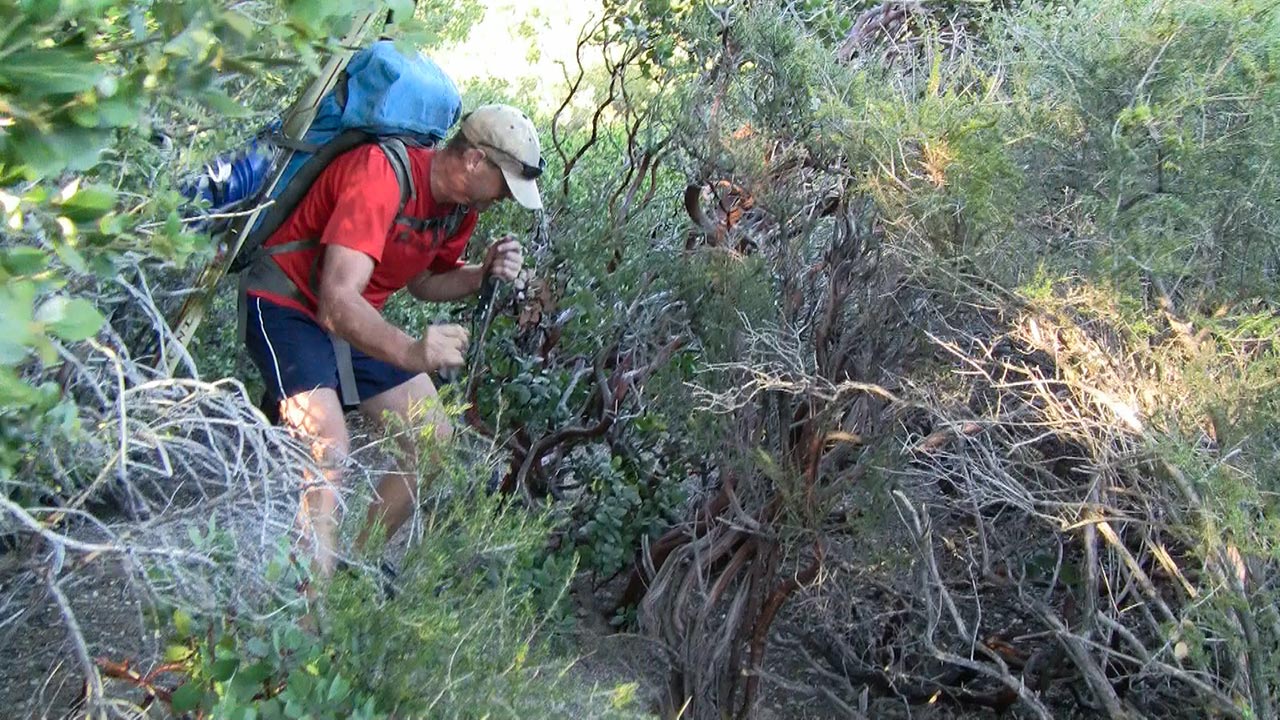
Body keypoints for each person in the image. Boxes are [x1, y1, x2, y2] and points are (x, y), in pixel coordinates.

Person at [241, 104, 544, 577]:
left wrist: (478, 274)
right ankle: (307, 619)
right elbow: (336, 303)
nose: (506, 197)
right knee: (328, 447)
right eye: (505, 185)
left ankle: (351, 576)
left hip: (353, 314)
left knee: (432, 440)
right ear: (473, 161)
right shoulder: (380, 175)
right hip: (286, 302)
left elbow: (423, 281)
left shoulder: (457, 212)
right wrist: (411, 351)